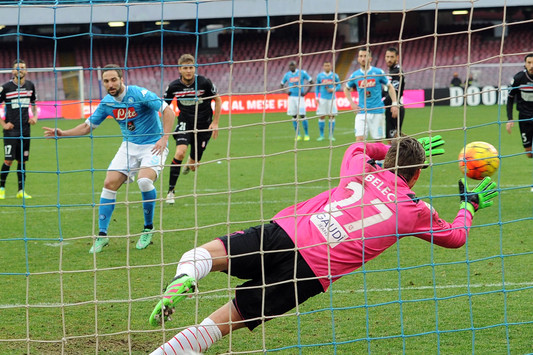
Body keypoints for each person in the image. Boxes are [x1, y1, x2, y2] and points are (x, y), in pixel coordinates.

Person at [147, 135, 498, 354]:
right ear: (418, 174)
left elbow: (357, 147)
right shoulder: (416, 211)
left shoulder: (361, 168)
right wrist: (469, 206)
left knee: (202, 254)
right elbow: (456, 237)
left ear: (385, 160)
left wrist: (386, 147)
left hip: (288, 232)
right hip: (312, 272)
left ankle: (186, 274)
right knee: (221, 324)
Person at [43, 64, 175, 253]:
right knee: (109, 183)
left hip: (153, 144)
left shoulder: (139, 94)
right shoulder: (107, 103)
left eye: (113, 79)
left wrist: (164, 137)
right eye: (106, 81)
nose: (110, 84)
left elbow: (168, 111)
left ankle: (148, 228)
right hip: (129, 146)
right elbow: (87, 127)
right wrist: (63, 133)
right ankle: (102, 236)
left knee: (144, 181)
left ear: (122, 79)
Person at [164, 54, 221, 205]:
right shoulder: (173, 87)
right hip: (185, 122)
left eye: (191, 67)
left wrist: (215, 122)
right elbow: (164, 106)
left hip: (204, 125)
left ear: (194, 68)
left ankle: (191, 162)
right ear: (180, 69)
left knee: (193, 165)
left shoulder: (204, 82)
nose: (188, 71)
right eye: (185, 68)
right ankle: (170, 191)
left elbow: (217, 99)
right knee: (179, 152)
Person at [0, 59, 38, 200]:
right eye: (17, 68)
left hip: (25, 130)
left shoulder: (30, 86)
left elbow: (34, 103)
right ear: (13, 71)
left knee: (22, 161)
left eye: (22, 68)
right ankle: (1, 189)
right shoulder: (5, 88)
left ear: (26, 70)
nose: (20, 70)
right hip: (11, 131)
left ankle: (21, 190)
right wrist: (4, 124)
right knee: (8, 160)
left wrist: (34, 117)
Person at [344, 49, 398, 143]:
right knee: (359, 140)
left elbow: (390, 87)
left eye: (365, 56)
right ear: (358, 59)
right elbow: (346, 89)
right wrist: (352, 103)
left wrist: (394, 103)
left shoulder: (378, 72)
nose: (363, 58)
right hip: (362, 112)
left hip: (377, 111)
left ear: (370, 58)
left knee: (378, 142)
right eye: (361, 56)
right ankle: (362, 158)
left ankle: (378, 158)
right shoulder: (355, 75)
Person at [507, 53, 533, 191]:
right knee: (529, 153)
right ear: (525, 64)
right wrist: (510, 119)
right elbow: (510, 98)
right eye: (529, 62)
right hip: (524, 118)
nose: (532, 65)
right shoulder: (518, 78)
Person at [280, 61, 314, 141]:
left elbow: (312, 82)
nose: (291, 67)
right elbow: (281, 85)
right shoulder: (287, 75)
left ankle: (306, 134)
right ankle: (298, 135)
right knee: (294, 116)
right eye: (290, 66)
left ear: (296, 66)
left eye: (293, 65)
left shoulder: (302, 73)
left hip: (300, 97)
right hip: (291, 98)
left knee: (302, 115)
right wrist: (286, 92)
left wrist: (305, 92)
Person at [384, 47, 406, 140]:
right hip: (390, 107)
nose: (389, 59)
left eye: (392, 57)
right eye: (387, 56)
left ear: (397, 58)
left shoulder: (397, 72)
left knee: (394, 140)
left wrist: (384, 103)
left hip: (395, 108)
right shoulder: (391, 71)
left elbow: (395, 92)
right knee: (391, 139)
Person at [315, 61, 341, 141]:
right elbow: (317, 87)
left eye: (328, 65)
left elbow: (339, 85)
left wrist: (334, 89)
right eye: (325, 65)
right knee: (321, 116)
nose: (327, 67)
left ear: (331, 66)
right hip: (322, 99)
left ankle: (331, 135)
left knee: (331, 116)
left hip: (332, 99)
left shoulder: (334, 76)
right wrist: (316, 97)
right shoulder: (320, 76)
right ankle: (322, 135)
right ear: (323, 67)